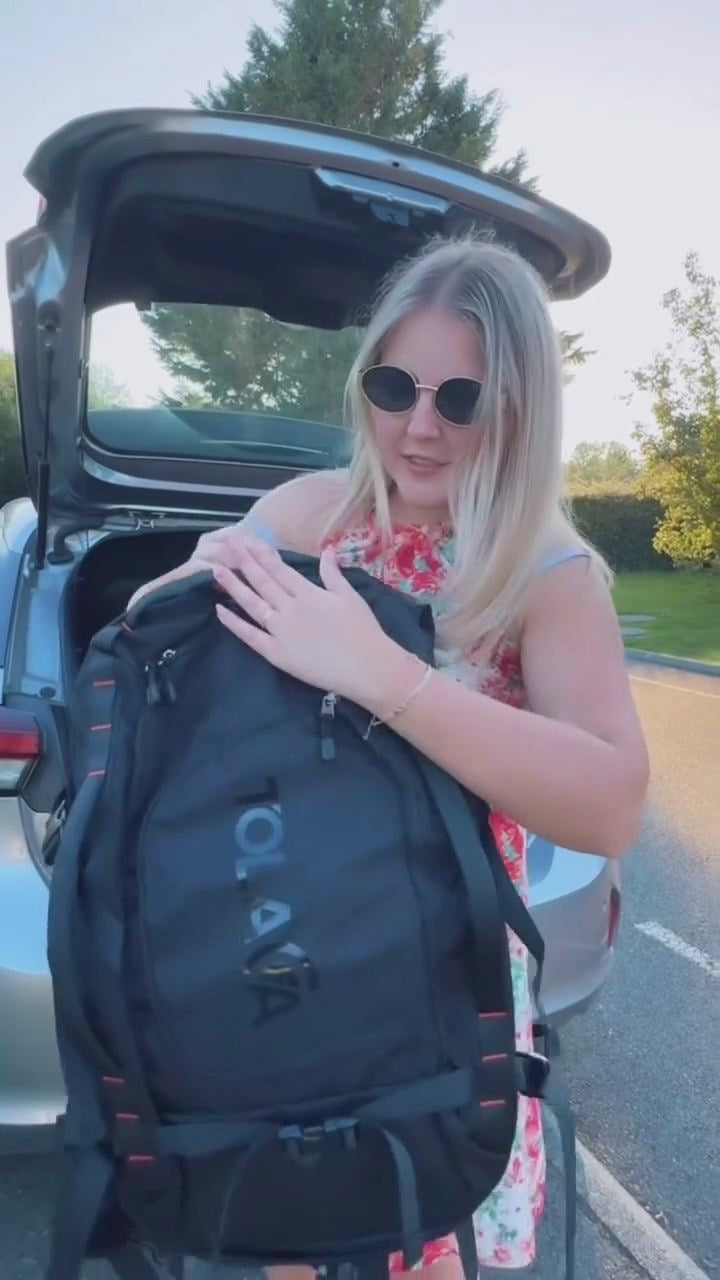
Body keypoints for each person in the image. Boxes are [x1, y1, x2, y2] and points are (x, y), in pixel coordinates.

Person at [129, 237, 649, 1276]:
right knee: (289, 1222)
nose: (418, 424)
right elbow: (152, 645)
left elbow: (611, 803)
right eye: (394, 386)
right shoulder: (305, 514)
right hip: (284, 941)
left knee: (421, 1233)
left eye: (461, 398)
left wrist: (383, 674)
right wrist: (181, 582)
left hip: (437, 981)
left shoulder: (543, 574)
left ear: (520, 408)